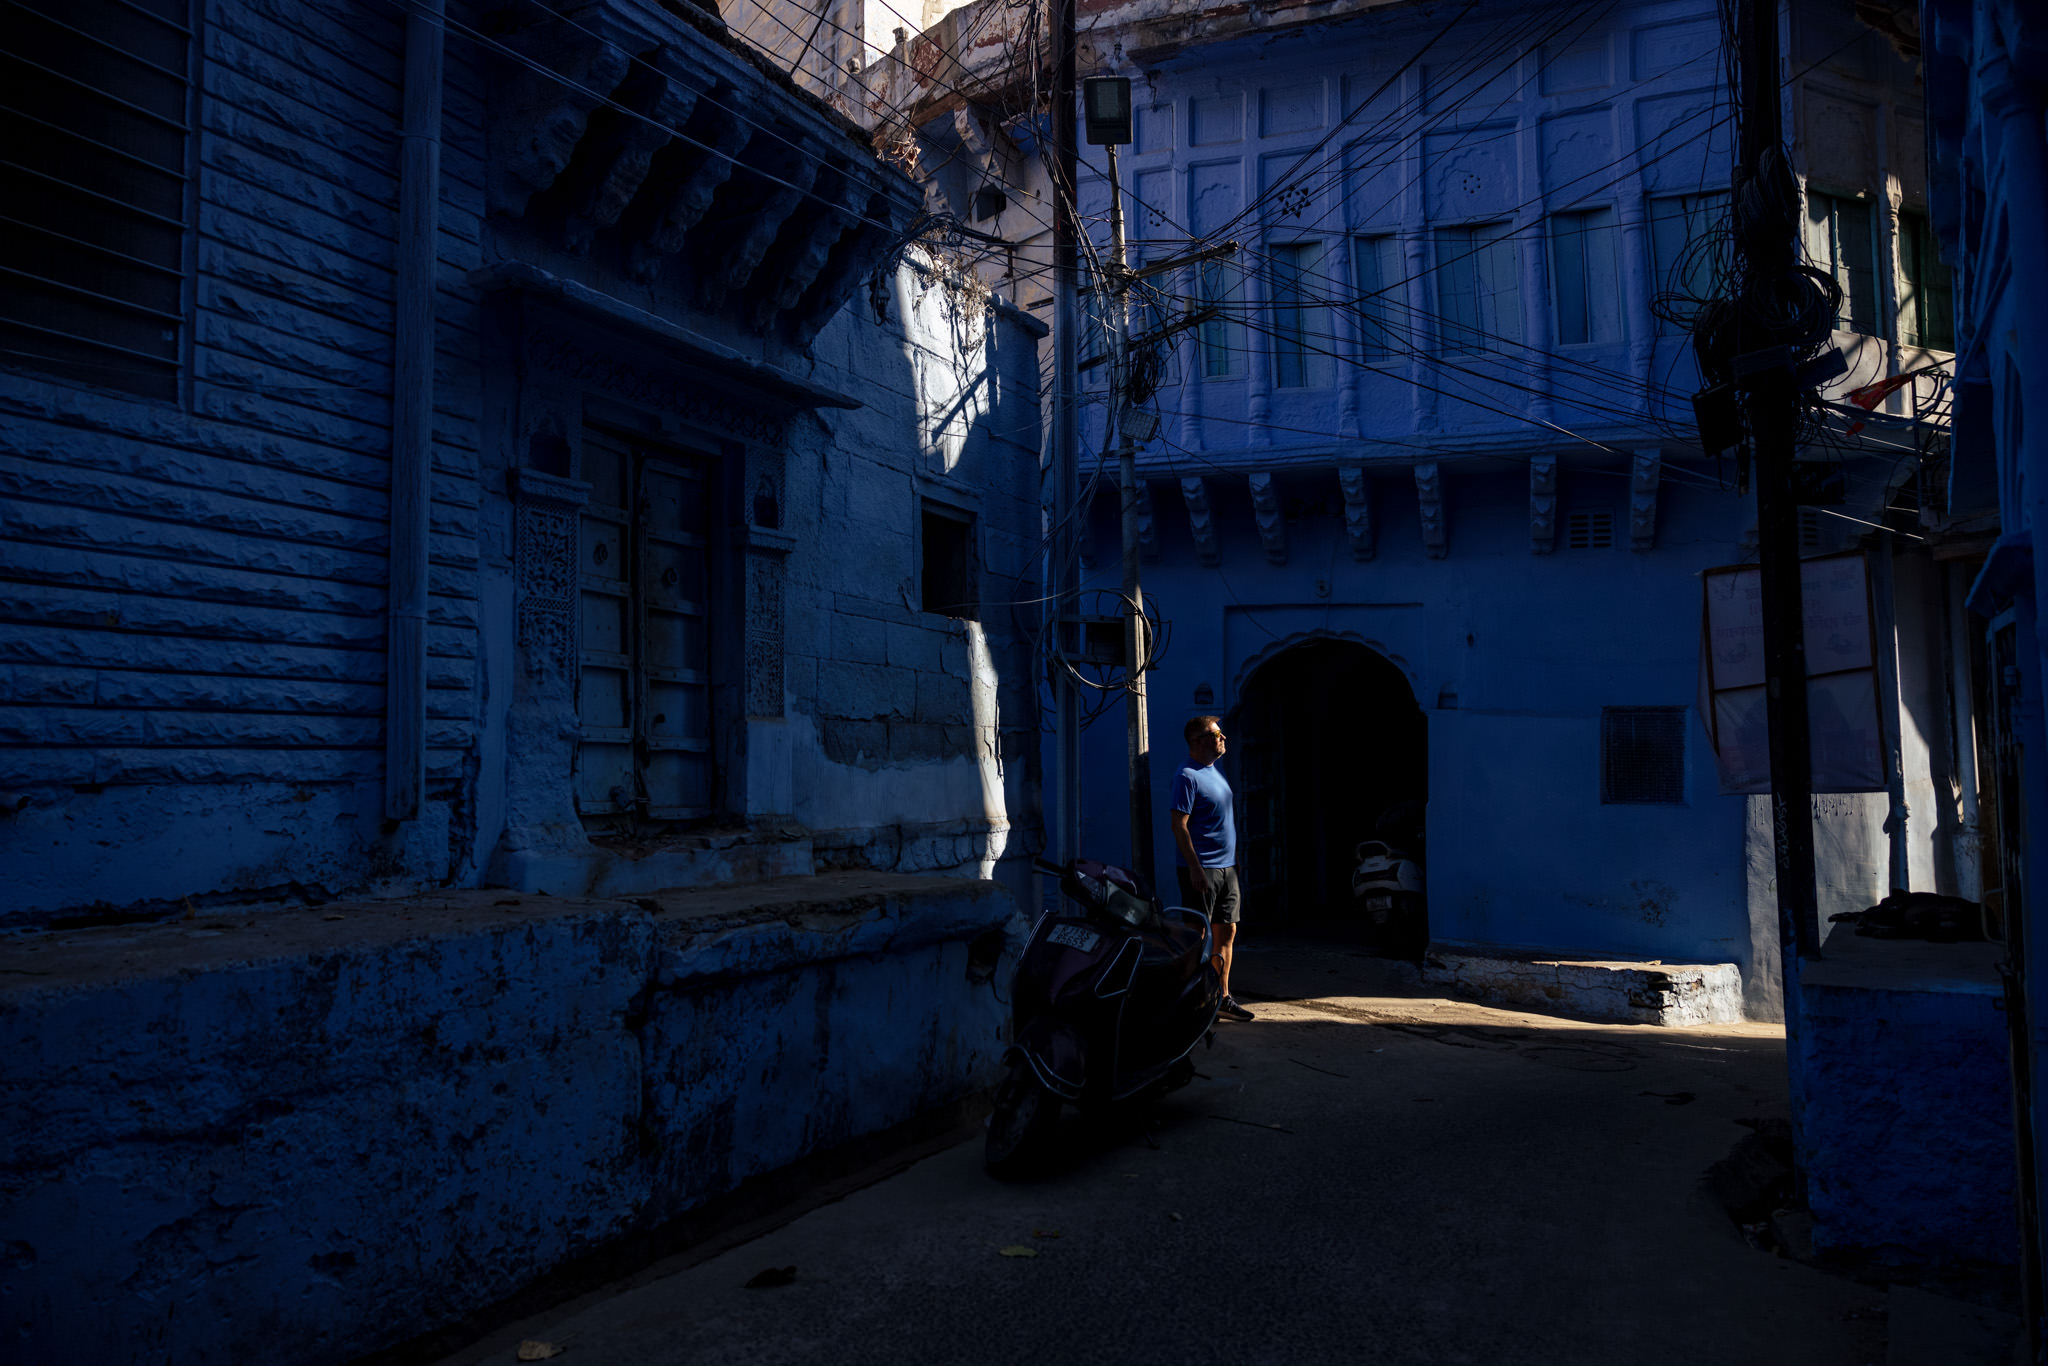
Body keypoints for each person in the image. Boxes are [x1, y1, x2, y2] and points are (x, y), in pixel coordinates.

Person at [1170, 715, 1254, 1022]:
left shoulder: (1214, 771)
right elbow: (1179, 826)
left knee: (1227, 931)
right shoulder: (1187, 776)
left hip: (1226, 868)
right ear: (1197, 741)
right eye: (1215, 734)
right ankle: (1195, 1000)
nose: (1223, 738)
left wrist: (1233, 861)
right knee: (1198, 935)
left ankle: (1221, 996)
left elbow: (1222, 819)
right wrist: (1194, 868)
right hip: (1202, 868)